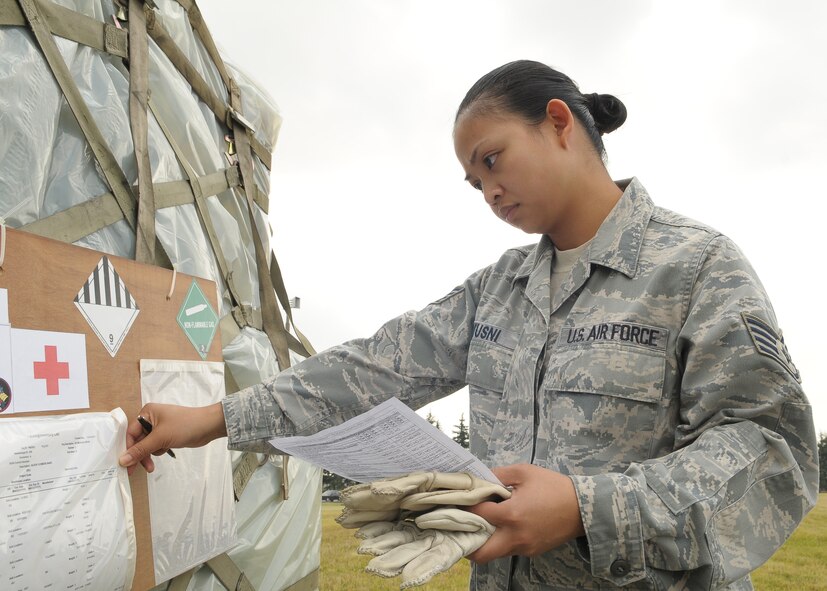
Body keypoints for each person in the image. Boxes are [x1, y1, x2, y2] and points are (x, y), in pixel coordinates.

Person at [120, 60, 818, 590]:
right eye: (472, 180)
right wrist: (211, 418)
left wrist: (586, 506)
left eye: (491, 159)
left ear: (558, 123)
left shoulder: (696, 268)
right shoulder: (498, 290)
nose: (487, 190)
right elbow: (369, 369)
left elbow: (769, 452)